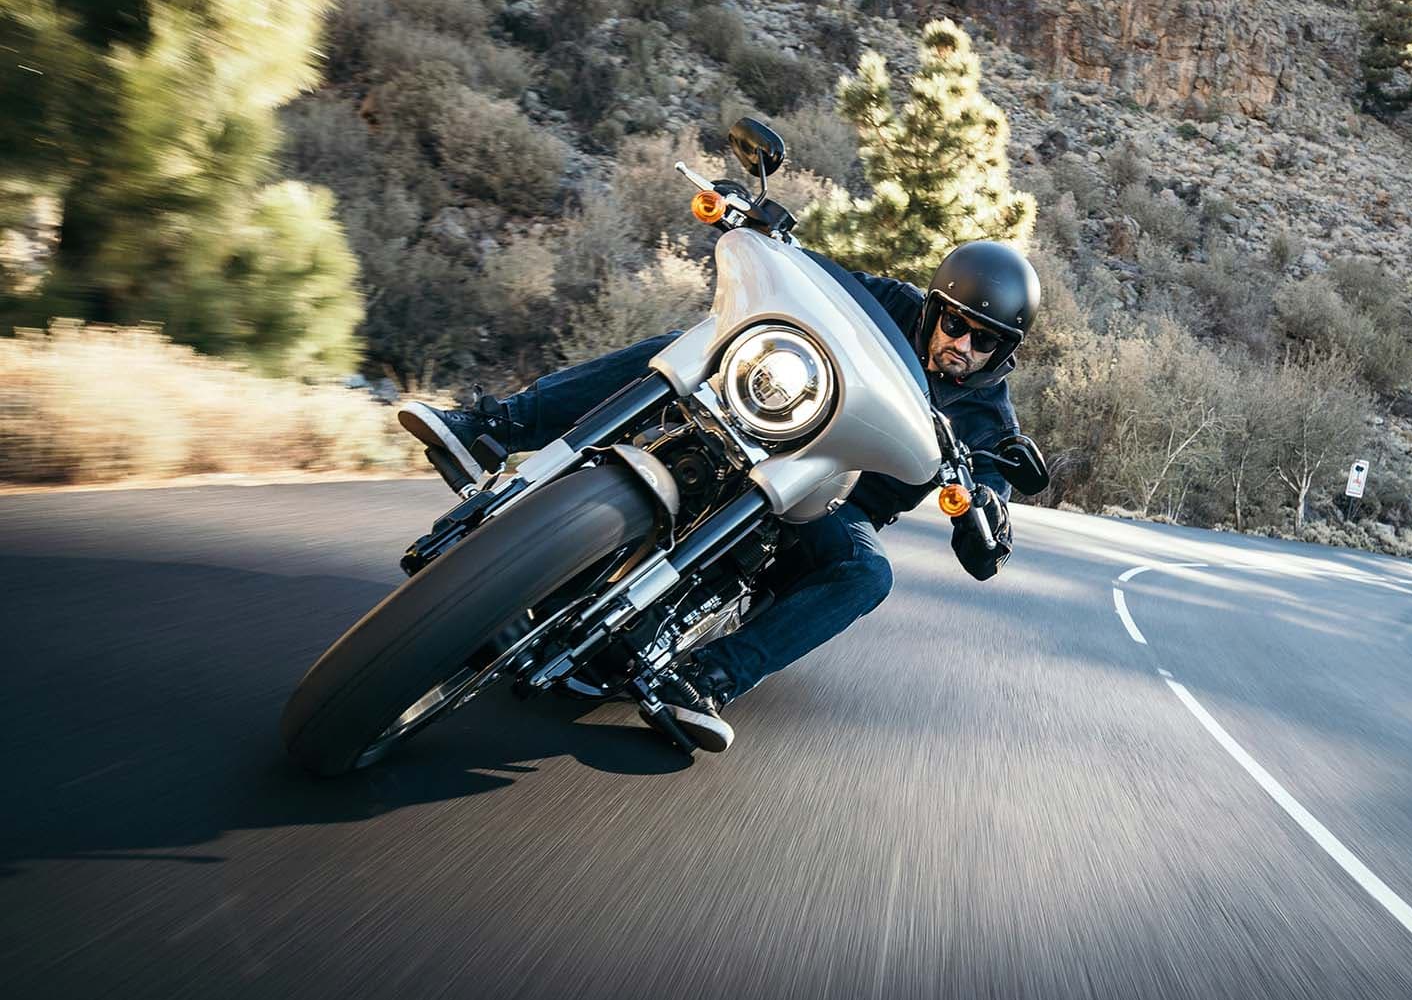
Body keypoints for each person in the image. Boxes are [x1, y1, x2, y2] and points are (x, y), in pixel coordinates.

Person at [397, 241, 1040, 752]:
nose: (962, 345)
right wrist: (763, 233)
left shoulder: (990, 420)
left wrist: (986, 516)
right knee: (686, 347)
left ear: (1003, 351)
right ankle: (490, 427)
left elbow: (988, 537)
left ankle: (710, 679)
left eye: (984, 339)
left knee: (867, 575)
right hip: (769, 427)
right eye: (955, 323)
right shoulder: (890, 302)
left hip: (833, 505)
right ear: (934, 307)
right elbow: (811, 277)